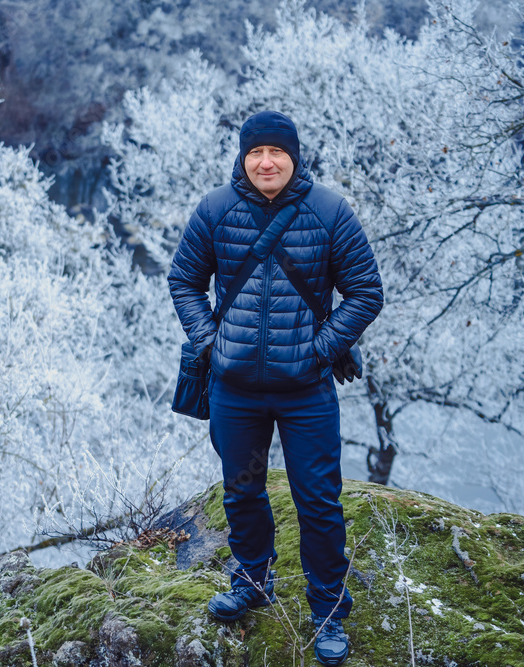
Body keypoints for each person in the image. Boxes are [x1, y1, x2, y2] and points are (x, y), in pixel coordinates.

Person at [167, 110, 383, 666]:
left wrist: (320, 348)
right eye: (255, 152)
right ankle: (253, 583)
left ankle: (329, 610)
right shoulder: (215, 210)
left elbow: (366, 292)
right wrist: (210, 341)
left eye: (276, 153)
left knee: (317, 501)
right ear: (244, 158)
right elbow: (184, 280)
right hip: (234, 390)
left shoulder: (331, 212)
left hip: (306, 391)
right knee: (241, 491)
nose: (266, 162)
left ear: (293, 157)